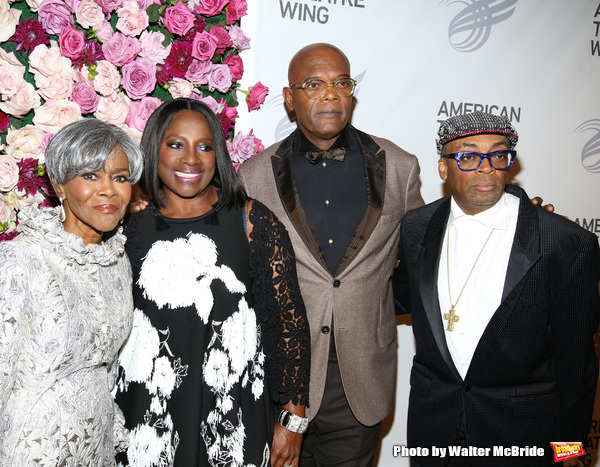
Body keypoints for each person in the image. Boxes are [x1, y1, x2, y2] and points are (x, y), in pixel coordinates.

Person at [238, 43, 424, 466]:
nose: (330, 94)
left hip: (360, 376)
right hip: (279, 377)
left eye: (342, 82)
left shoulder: (398, 166)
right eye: (314, 84)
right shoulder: (253, 176)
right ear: (289, 98)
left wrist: (375, 303)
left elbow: (424, 257)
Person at [393, 111, 600, 467]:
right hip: (434, 426)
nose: (486, 167)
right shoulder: (415, 227)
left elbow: (578, 362)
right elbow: (396, 296)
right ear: (444, 168)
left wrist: (569, 451)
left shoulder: (565, 243)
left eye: (498, 155)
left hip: (522, 434)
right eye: (469, 156)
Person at [114, 98, 310, 467]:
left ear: (218, 153)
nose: (191, 159)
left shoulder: (252, 221)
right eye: (176, 145)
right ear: (154, 149)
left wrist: (293, 422)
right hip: (148, 413)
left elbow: (289, 326)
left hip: (233, 415)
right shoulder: (126, 225)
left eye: (204, 146)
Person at [0, 119, 143, 464]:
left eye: (120, 177)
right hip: (31, 450)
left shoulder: (117, 261)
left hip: (96, 446)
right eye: (90, 176)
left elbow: (106, 368)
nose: (108, 189)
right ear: (60, 186)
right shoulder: (21, 258)